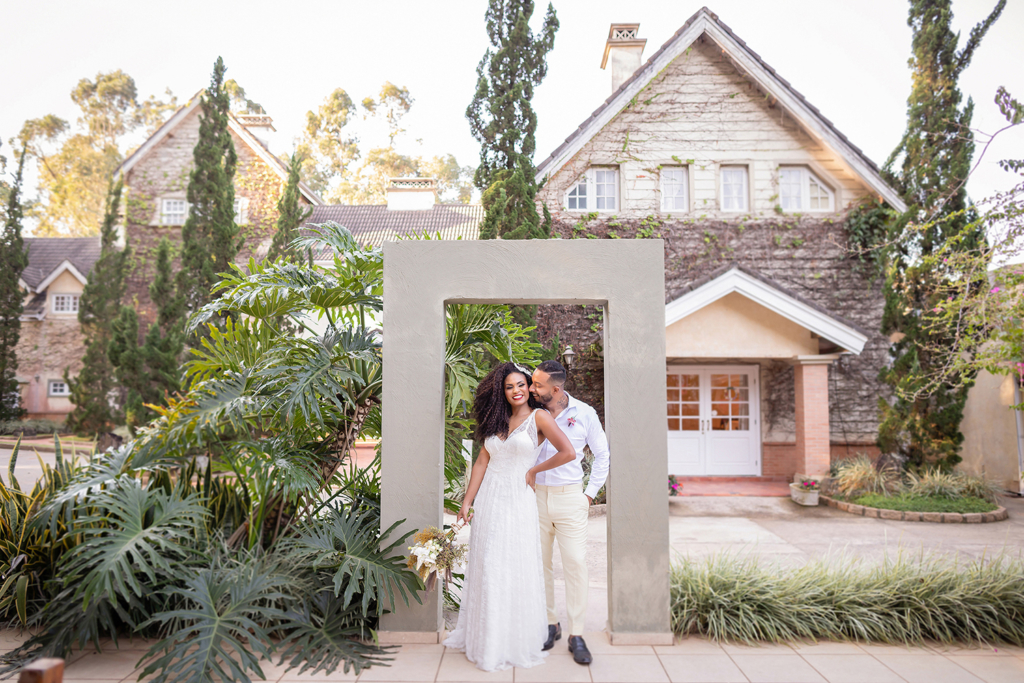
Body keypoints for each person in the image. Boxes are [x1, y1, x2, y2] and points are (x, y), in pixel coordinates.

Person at [444, 362, 576, 672]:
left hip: (517, 500)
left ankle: (510, 641)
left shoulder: (539, 417)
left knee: (510, 566)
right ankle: (485, 639)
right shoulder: (496, 419)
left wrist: (534, 470)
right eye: (509, 387)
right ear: (501, 392)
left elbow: (568, 452)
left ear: (530, 387)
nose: (515, 391)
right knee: (488, 564)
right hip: (490, 498)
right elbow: (481, 463)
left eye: (520, 385)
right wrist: (467, 501)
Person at [530, 359, 609, 666]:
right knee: (542, 563)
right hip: (535, 499)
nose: (532, 388)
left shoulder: (584, 414)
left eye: (537, 384)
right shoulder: (531, 413)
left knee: (575, 563)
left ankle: (577, 633)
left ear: (556, 388)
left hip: (570, 498)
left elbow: (602, 456)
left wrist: (589, 495)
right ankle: (551, 624)